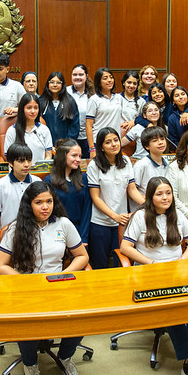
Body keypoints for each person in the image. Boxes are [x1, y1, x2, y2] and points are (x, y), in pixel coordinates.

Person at [0, 181, 89, 375]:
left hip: (57, 285)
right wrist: (23, 280)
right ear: (29, 205)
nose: (45, 207)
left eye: (49, 201)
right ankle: (30, 364)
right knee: (26, 320)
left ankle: (65, 357)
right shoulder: (16, 229)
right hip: (27, 287)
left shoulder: (63, 224)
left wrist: (64, 274)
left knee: (83, 315)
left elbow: (82, 256)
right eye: (39, 202)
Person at [119, 176, 188, 375]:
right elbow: (125, 248)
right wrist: (151, 263)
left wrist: (182, 261)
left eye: (168, 193)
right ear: (150, 196)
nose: (165, 197)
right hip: (151, 274)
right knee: (172, 304)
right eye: (159, 193)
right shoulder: (141, 216)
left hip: (178, 271)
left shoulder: (176, 215)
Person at [87, 127, 145, 269]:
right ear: (101, 146)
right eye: (108, 142)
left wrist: (149, 203)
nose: (113, 144)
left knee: (120, 262)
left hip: (122, 223)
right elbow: (96, 198)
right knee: (101, 264)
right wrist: (115, 216)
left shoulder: (125, 160)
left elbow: (132, 190)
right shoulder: (94, 165)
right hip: (100, 223)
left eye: (115, 140)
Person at [0, 143, 41, 244]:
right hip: (7, 238)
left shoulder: (37, 182)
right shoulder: (0, 185)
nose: (26, 164)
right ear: (10, 163)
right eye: (21, 161)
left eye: (29, 160)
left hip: (33, 237)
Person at [45, 138, 91, 243]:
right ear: (62, 155)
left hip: (79, 231)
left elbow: (87, 210)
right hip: (56, 233)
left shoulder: (83, 178)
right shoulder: (49, 181)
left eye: (80, 156)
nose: (78, 159)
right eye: (74, 155)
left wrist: (83, 238)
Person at [4, 93, 53, 163]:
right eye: (29, 108)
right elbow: (8, 157)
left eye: (36, 108)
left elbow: (48, 155)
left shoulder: (44, 129)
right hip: (19, 171)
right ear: (22, 109)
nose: (33, 111)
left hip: (39, 170)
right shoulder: (12, 131)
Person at [86, 68, 122, 158]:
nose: (109, 80)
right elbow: (88, 125)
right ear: (99, 82)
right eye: (105, 78)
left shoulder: (119, 98)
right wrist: (92, 148)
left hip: (115, 141)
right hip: (98, 141)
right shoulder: (94, 100)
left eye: (111, 77)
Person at [39, 71, 80, 145]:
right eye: (52, 82)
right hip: (45, 145)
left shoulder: (70, 102)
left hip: (65, 147)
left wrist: (66, 144)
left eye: (58, 82)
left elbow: (74, 126)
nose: (55, 85)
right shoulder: (41, 102)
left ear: (62, 84)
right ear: (48, 84)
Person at [67, 64, 95, 157]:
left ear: (86, 76)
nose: (77, 77)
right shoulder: (65, 92)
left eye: (80, 75)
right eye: (75, 75)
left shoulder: (93, 94)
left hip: (88, 139)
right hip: (70, 137)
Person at [0, 52, 24, 119]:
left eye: (0, 69)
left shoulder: (17, 86)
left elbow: (27, 107)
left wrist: (16, 109)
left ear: (7, 69)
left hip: (10, 126)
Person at [118, 70, 144, 135]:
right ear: (124, 83)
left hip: (135, 134)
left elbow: (144, 118)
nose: (131, 86)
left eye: (134, 83)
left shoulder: (141, 101)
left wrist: (133, 122)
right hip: (118, 132)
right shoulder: (116, 98)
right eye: (129, 82)